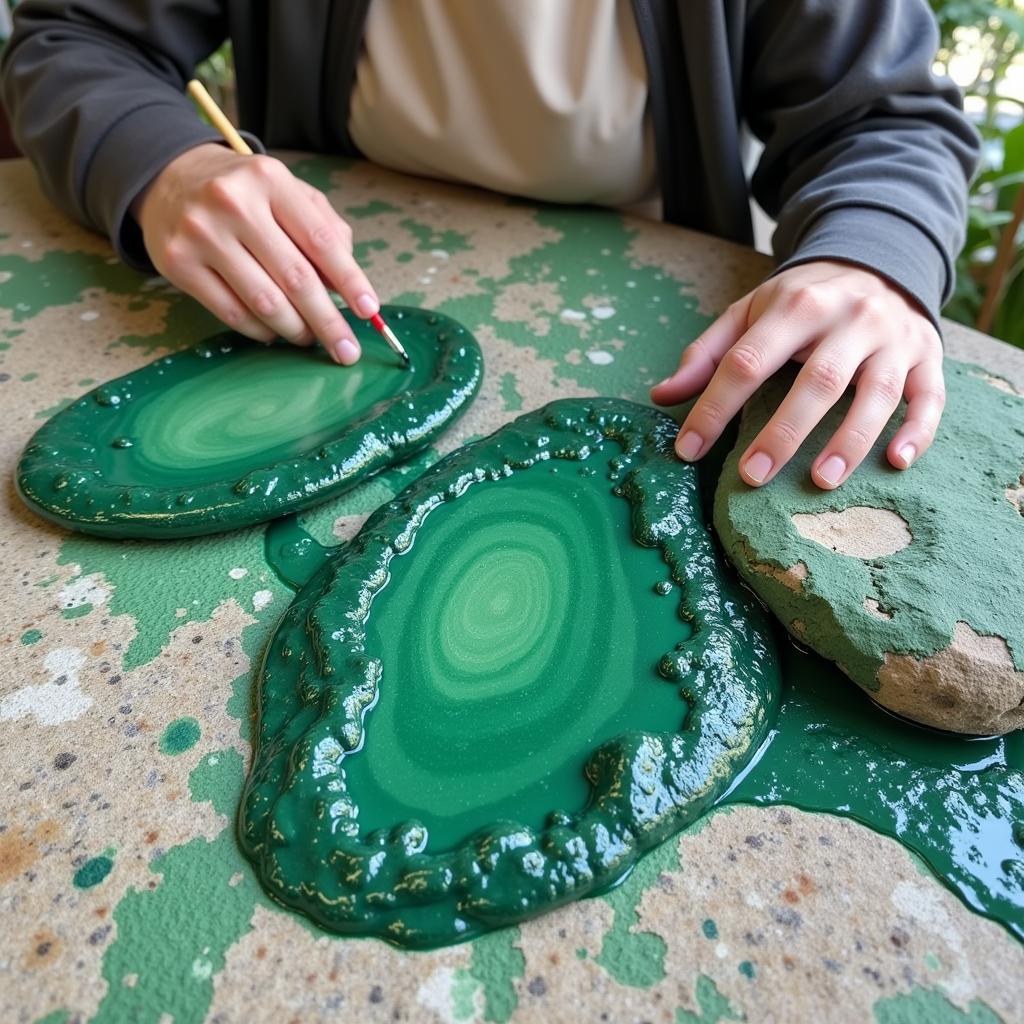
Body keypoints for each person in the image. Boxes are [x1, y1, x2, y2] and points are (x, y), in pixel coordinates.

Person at [1, 0, 978, 489]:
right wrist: (165, 166)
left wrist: (869, 254)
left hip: (662, 306)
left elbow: (884, 118)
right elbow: (72, 37)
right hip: (324, 269)